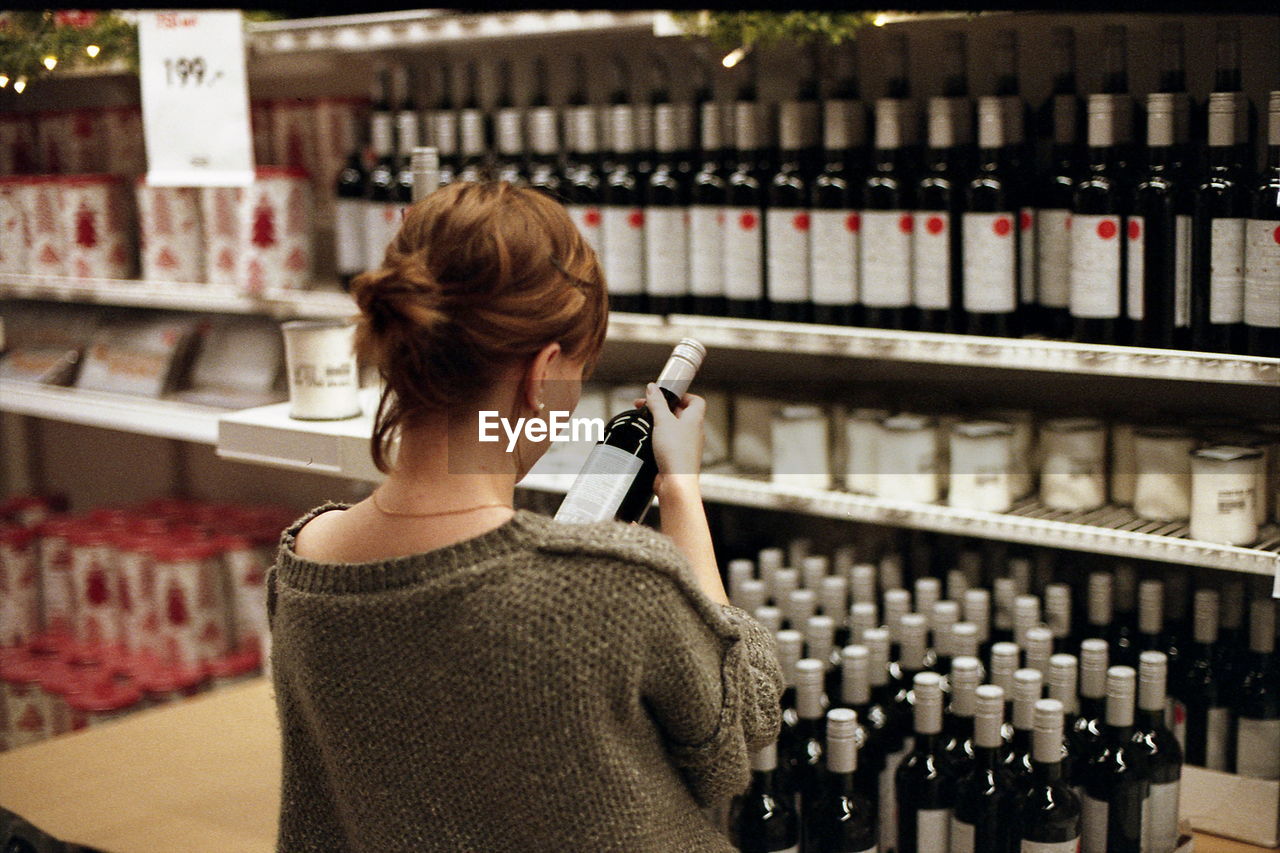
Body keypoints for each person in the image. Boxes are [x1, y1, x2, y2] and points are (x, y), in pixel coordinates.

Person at [267, 181, 783, 852]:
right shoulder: (611, 584)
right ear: (541, 374)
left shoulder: (305, 563)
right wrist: (681, 487)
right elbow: (743, 720)